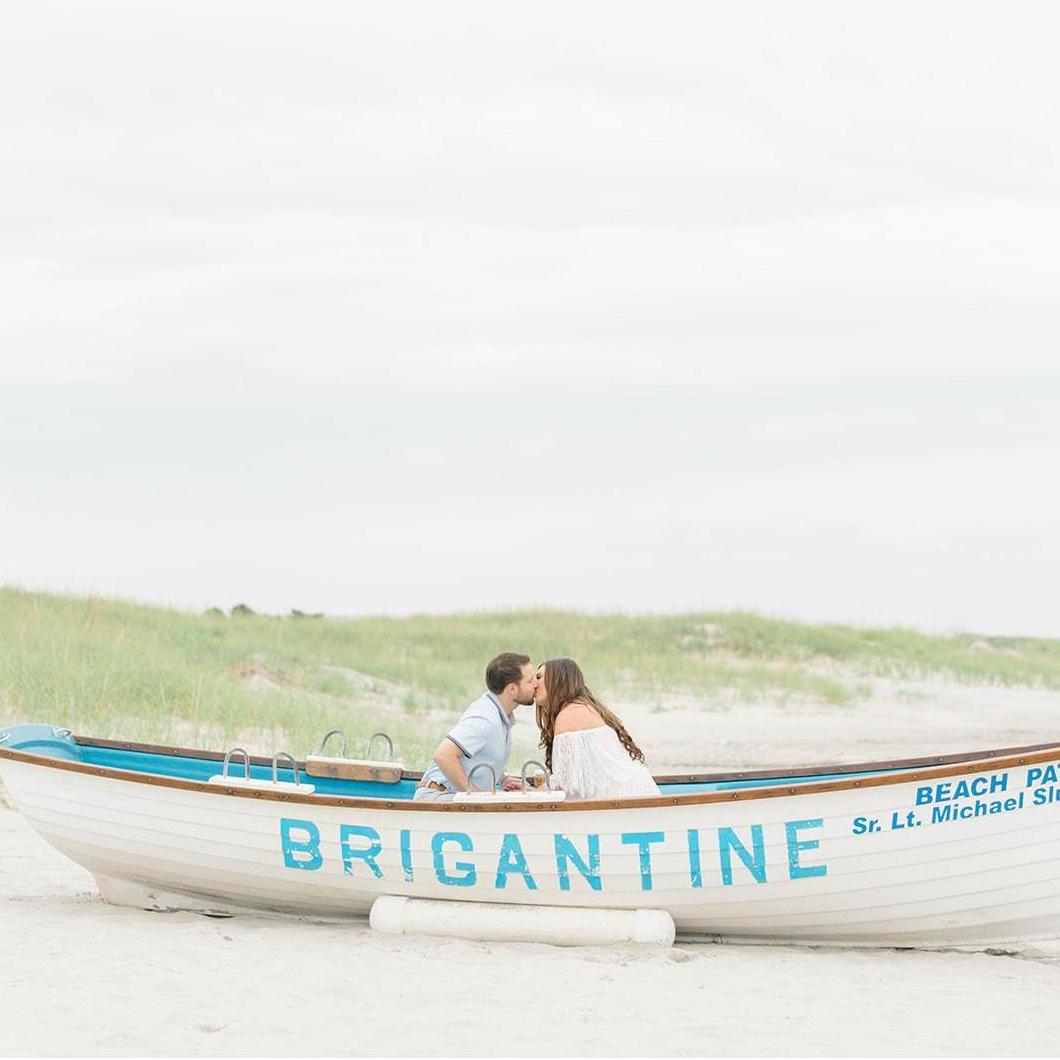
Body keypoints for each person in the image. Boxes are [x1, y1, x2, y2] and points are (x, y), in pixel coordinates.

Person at [414, 652, 536, 801]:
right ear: (512, 689)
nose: (536, 684)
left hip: (452, 795)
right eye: (530, 681)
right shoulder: (485, 718)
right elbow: (443, 755)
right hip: (438, 796)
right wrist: (476, 797)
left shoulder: (500, 715)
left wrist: (503, 778)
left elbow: (481, 756)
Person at [533, 657, 660, 800]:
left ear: (558, 680)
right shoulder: (584, 707)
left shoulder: (568, 715)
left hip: (624, 798)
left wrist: (540, 791)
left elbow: (565, 786)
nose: (534, 684)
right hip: (636, 791)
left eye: (539, 677)